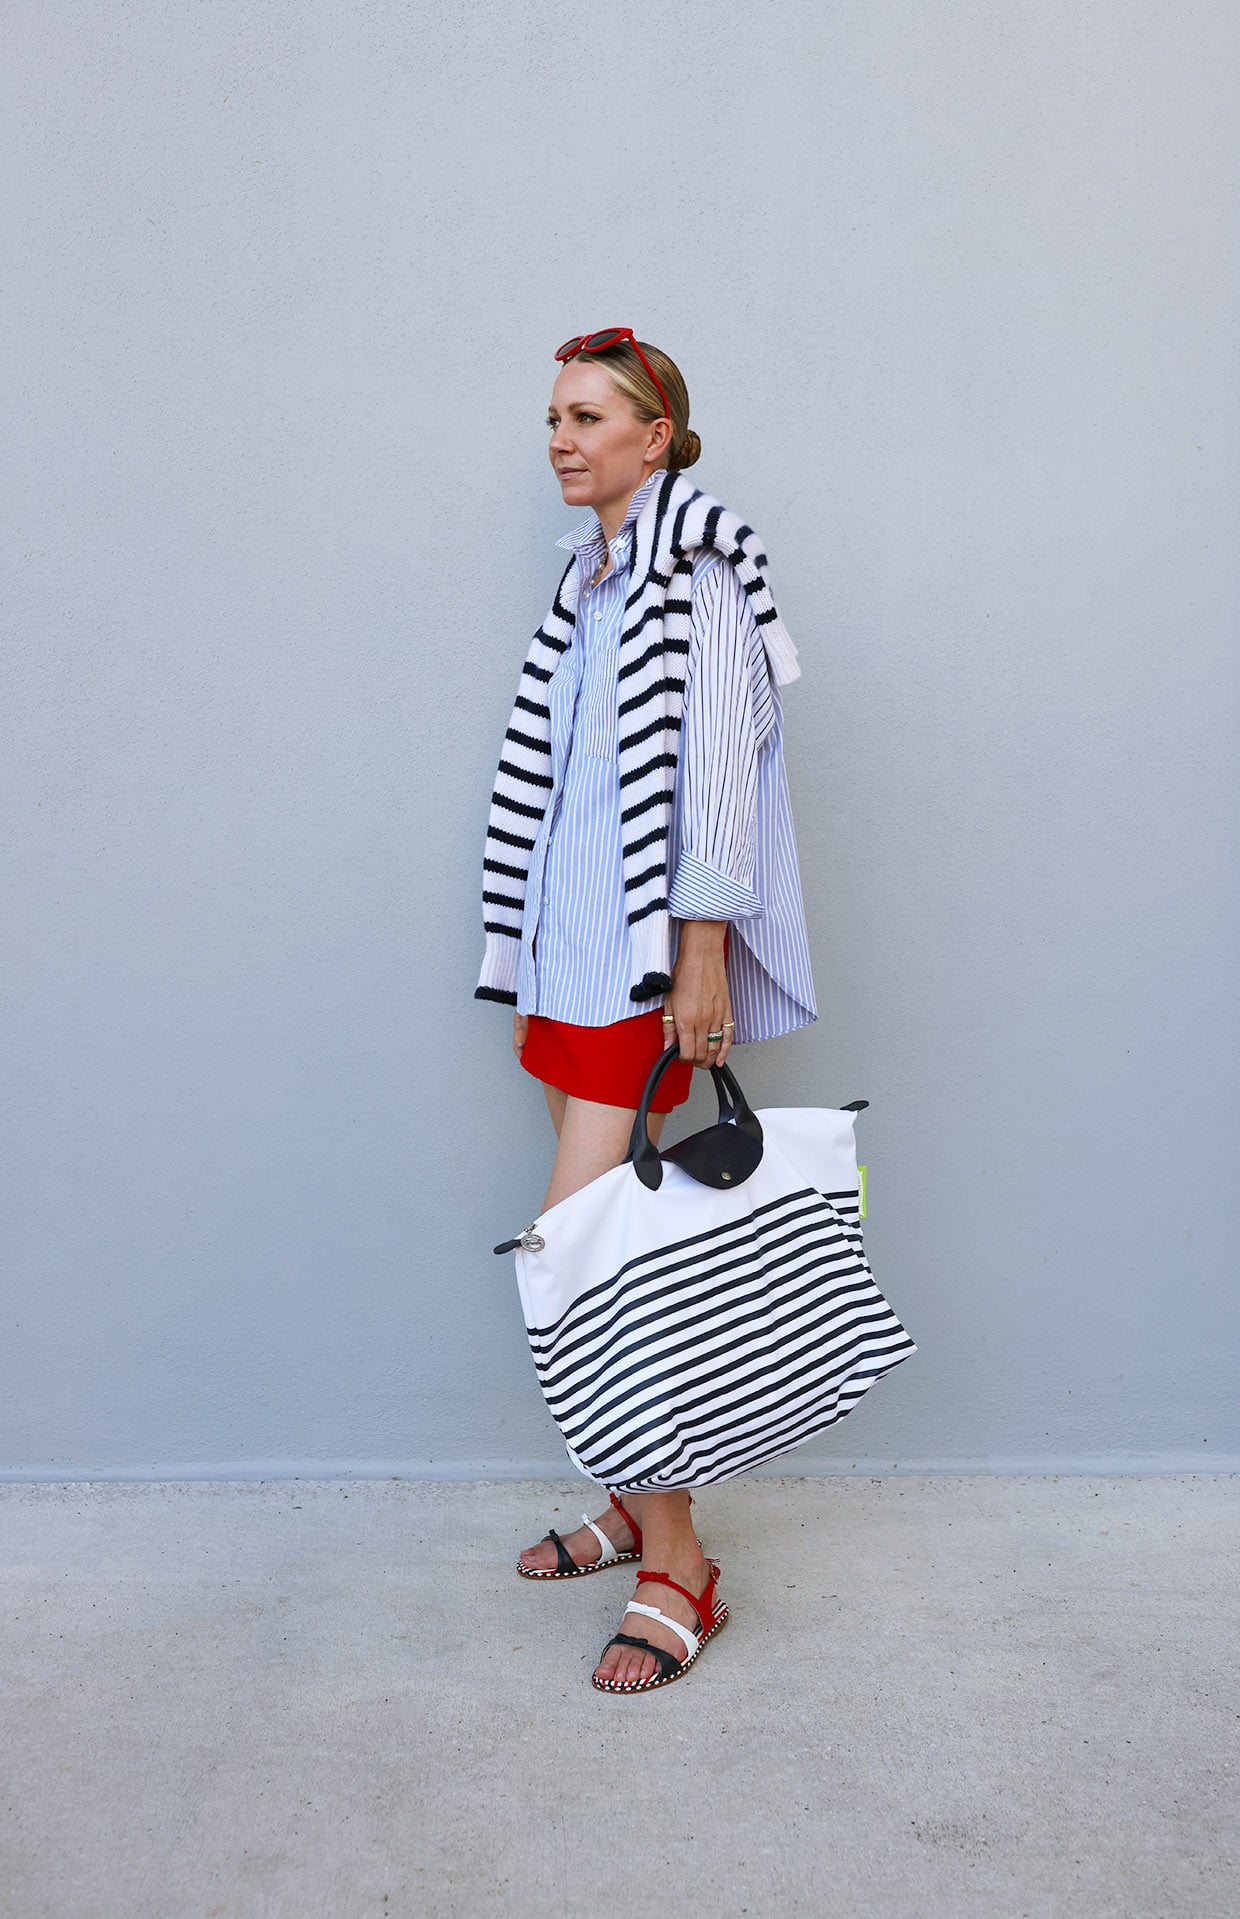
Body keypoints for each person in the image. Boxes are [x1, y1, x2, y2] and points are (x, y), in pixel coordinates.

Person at [474, 329, 818, 1692]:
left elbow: (724, 776)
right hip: (562, 952)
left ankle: (679, 1558)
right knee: (603, 1246)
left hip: (635, 961)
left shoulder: (703, 579)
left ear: (658, 435)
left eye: (589, 415)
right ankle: (632, 1503)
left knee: (588, 1263)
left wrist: (702, 954)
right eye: (552, 414)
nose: (561, 436)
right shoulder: (593, 584)